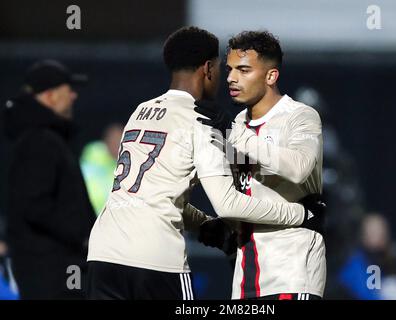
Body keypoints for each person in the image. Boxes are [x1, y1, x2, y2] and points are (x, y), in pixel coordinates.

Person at [87, 26, 320, 300]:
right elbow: (227, 203)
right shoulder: (205, 122)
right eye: (226, 68)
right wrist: (301, 214)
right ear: (208, 69)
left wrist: (205, 225)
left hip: (102, 252)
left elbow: (156, 197)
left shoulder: (140, 111)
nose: (229, 78)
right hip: (154, 256)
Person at [195, 31, 326, 300]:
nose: (231, 78)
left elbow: (299, 167)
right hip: (246, 275)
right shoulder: (237, 124)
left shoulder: (300, 116)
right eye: (230, 69)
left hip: (291, 271)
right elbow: (245, 191)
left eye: (244, 70)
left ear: (270, 76)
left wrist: (234, 136)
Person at [3, 60, 97, 299]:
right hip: (51, 269)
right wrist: (82, 235)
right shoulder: (40, 140)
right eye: (68, 90)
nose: (74, 96)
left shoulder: (44, 138)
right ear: (50, 96)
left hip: (53, 266)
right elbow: (34, 205)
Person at [80, 123, 124, 215]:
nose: (118, 147)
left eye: (121, 142)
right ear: (106, 141)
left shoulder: (126, 165)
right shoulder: (91, 160)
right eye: (114, 142)